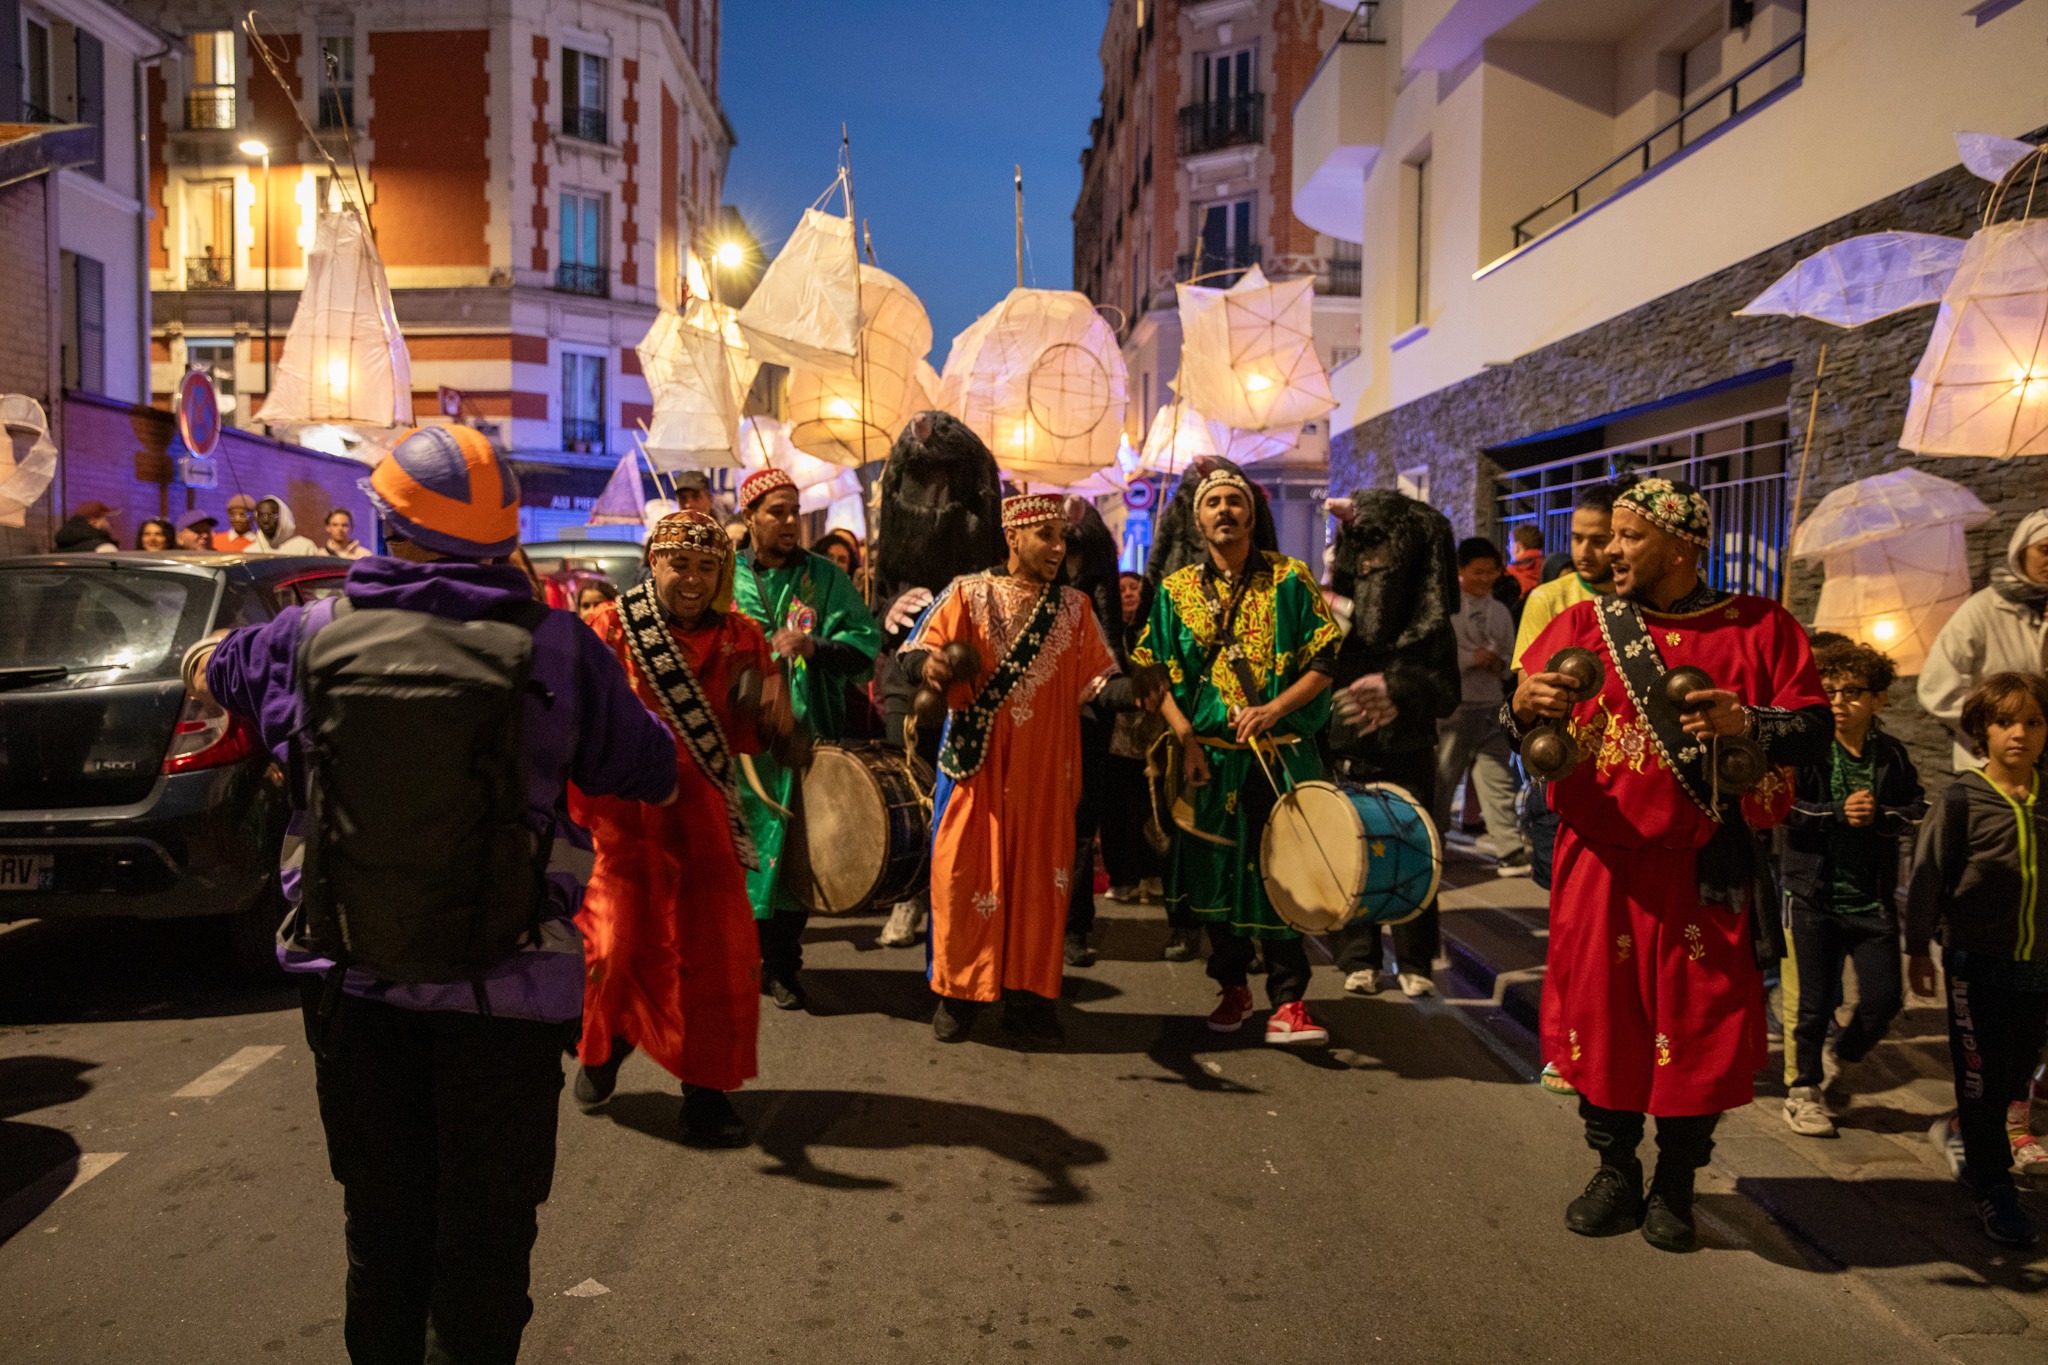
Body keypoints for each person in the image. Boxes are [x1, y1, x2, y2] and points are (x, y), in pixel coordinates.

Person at [191, 423, 678, 1363]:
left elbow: (221, 671)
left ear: (388, 525)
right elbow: (648, 769)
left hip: (355, 986)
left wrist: (202, 660)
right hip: (507, 997)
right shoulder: (559, 647)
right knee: (487, 1245)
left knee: (382, 1234)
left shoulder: (310, 633)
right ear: (506, 536)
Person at [1506, 476, 1830, 1252]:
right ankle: (1615, 1168)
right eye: (1608, 536)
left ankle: (1677, 1179)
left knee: (1698, 1023)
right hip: (1602, 862)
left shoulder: (1763, 627)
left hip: (1704, 863)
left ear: (1682, 546)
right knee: (1605, 1018)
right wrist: (1522, 706)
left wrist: (1748, 719)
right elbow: (1524, 726)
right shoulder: (1582, 622)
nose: (1608, 550)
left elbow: (1814, 732)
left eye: (1629, 536)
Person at [571, 510, 791, 1147]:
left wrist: (777, 722)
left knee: (716, 957)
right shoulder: (607, 628)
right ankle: (605, 1043)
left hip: (704, 822)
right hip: (623, 823)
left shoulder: (744, 636)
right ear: (654, 562)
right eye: (680, 564)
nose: (693, 579)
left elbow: (762, 736)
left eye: (707, 567)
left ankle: (707, 1094)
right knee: (614, 948)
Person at [1134, 467, 1341, 1045]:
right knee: (1214, 879)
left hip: (1280, 758)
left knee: (1285, 873)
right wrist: (1186, 739)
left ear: (1251, 514)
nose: (1224, 510)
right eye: (1213, 503)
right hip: (1209, 761)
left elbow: (1326, 661)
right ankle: (1232, 987)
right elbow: (1152, 672)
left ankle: (1290, 1001)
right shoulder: (1175, 591)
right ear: (1197, 520)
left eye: (1234, 501)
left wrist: (1273, 709)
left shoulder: (1291, 579)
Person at [910, 493, 1122, 1047]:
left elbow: (1101, 680)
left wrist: (1137, 692)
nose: (1057, 548)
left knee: (1039, 884)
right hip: (976, 766)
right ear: (1013, 536)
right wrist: (931, 666)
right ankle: (959, 996)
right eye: (1045, 535)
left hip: (1045, 772)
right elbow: (916, 650)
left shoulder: (1075, 608)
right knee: (963, 875)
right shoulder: (967, 592)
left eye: (1062, 538)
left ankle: (1029, 1000)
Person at [731, 468, 881, 1010]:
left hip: (804, 742)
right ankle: (740, 960)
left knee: (796, 855)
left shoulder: (825, 578)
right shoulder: (723, 575)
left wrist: (814, 646)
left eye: (795, 511)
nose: (790, 521)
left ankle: (783, 967)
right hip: (739, 749)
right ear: (750, 517)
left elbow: (865, 649)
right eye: (777, 511)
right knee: (740, 854)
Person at [1907, 672, 2048, 1248]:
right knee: (1982, 1079)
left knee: (2018, 1074)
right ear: (1981, 731)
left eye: (2033, 722)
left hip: (2039, 966)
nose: (2019, 734)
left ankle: (1963, 1126)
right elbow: (1928, 877)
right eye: (2004, 722)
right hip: (1977, 965)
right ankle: (1994, 1187)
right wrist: (1918, 948)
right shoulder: (1962, 799)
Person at [1779, 638, 1925, 1139]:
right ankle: (1803, 1092)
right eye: (1830, 691)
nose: (1839, 702)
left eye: (1853, 692)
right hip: (1814, 895)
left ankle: (1844, 1051)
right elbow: (1784, 809)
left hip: (1871, 898)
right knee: (1814, 1004)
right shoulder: (1808, 749)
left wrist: (1881, 816)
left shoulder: (1891, 754)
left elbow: (1916, 808)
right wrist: (1836, 813)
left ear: (1877, 699)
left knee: (1884, 1000)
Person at [1325, 488, 1461, 998]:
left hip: (1408, 753)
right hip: (1346, 748)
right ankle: (1359, 957)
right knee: (1352, 850)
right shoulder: (1338, 610)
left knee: (1415, 852)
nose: (1370, 563)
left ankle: (1415, 958)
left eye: (1379, 551)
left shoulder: (1429, 629)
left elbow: (1447, 693)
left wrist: (1401, 689)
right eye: (1363, 552)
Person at [1512, 482, 1619, 1093]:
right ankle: (1570, 1041)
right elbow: (1526, 694)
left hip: (1632, 788)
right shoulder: (1552, 600)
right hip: (1570, 778)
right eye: (1577, 537)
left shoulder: (1641, 602)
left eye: (1600, 539)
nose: (1586, 550)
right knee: (1574, 925)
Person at [1919, 509, 2048, 771]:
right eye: (2044, 550)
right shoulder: (1981, 611)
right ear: (2020, 552)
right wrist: (1995, 728)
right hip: (1989, 766)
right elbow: (1937, 689)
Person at [1438, 537, 1530, 875]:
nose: (1486, 579)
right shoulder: (1447, 609)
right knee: (1443, 780)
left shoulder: (1500, 611)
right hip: (1455, 706)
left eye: (1491, 572)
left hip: (1490, 704)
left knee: (1497, 778)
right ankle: (1434, 844)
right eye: (1478, 572)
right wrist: (1471, 659)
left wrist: (1499, 663)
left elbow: (1510, 656)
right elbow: (1440, 655)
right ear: (1460, 571)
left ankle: (1509, 848)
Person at [1102, 571, 1164, 904]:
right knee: (1117, 810)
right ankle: (1122, 878)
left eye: (1134, 588)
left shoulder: (1156, 631)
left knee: (1153, 806)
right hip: (1117, 733)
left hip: (1155, 733)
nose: (1127, 593)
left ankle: (1153, 873)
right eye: (1121, 589)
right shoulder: (1107, 634)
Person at [252, 495, 321, 555]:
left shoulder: (305, 548)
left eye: (271, 515)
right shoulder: (251, 551)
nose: (265, 520)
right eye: (261, 515)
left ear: (283, 517)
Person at [53, 501, 119, 553]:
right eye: (106, 519)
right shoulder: (104, 548)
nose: (108, 524)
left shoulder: (59, 548)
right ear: (93, 522)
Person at [1506, 523, 1546, 597]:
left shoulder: (1510, 573)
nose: (1508, 548)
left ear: (1517, 547)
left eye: (1510, 543)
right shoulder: (1548, 568)